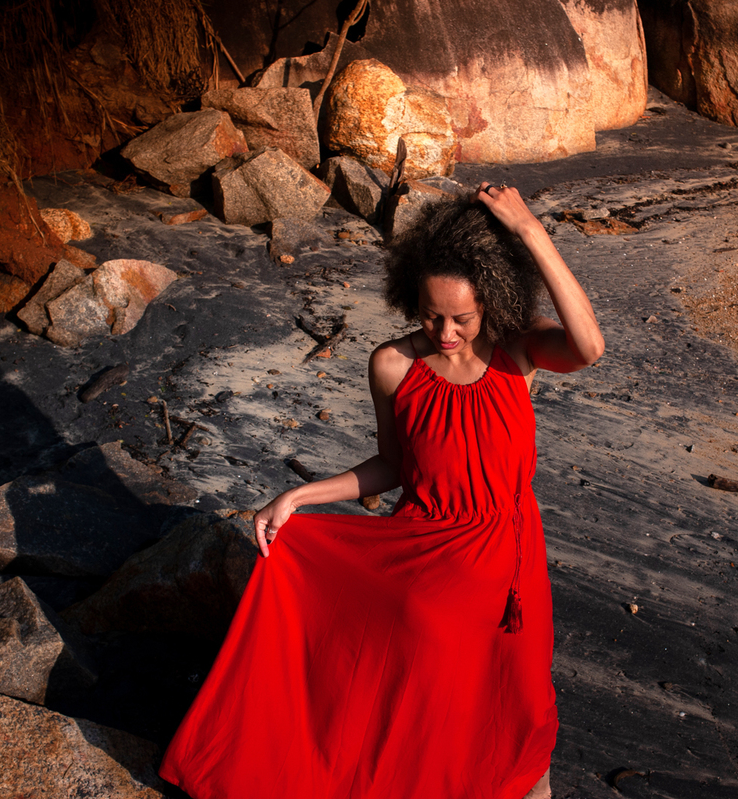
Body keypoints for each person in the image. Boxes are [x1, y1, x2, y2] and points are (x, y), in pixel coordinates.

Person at [159, 182, 605, 799]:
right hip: (427, 559)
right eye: (430, 314)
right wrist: (298, 497)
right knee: (427, 691)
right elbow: (392, 467)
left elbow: (590, 347)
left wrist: (530, 229)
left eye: (462, 318)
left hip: (511, 560)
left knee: (512, 704)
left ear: (493, 300)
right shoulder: (394, 365)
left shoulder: (515, 349)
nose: (446, 331)